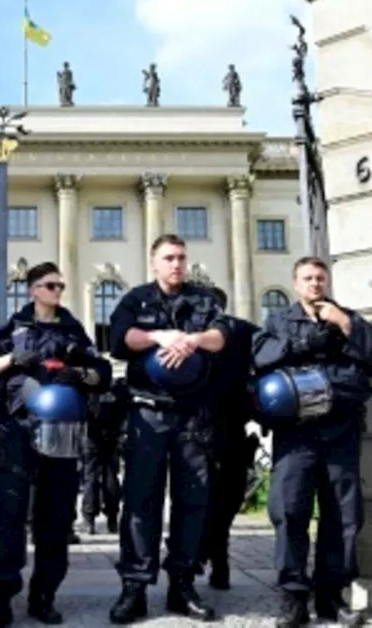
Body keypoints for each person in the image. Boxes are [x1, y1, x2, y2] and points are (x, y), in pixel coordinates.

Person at [107, 234, 256, 625]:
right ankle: (134, 588)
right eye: (169, 258)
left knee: (194, 502)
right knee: (141, 503)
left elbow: (222, 335)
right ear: (154, 262)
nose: (177, 264)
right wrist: (159, 336)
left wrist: (191, 340)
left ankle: (182, 585)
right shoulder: (135, 299)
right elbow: (121, 338)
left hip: (193, 415)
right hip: (148, 412)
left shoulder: (203, 299)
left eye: (181, 258)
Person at [254, 256, 372, 627]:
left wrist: (345, 325)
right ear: (295, 283)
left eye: (320, 278)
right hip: (295, 434)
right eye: (307, 278)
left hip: (339, 432)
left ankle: (332, 596)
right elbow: (259, 357)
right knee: (289, 512)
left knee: (343, 515)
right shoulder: (278, 321)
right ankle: (293, 598)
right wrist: (299, 343)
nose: (314, 284)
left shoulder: (346, 317)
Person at [0, 261, 112, 627]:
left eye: (60, 286)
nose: (57, 292)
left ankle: (44, 595)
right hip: (19, 430)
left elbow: (103, 373)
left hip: (62, 432)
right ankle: (0, 598)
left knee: (55, 519)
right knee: (9, 516)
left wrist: (81, 373)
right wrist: (11, 359)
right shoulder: (14, 327)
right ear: (33, 289)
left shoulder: (73, 329)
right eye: (50, 286)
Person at [196, 285, 259, 590]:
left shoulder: (241, 331)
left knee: (229, 500)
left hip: (233, 428)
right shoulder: (189, 335)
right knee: (203, 502)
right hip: (197, 430)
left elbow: (269, 350)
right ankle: (212, 560)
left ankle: (212, 554)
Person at [81, 376, 128, 535]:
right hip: (112, 437)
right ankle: (112, 518)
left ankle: (89, 519)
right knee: (111, 476)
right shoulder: (117, 390)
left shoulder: (88, 389)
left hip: (92, 436)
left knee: (90, 477)